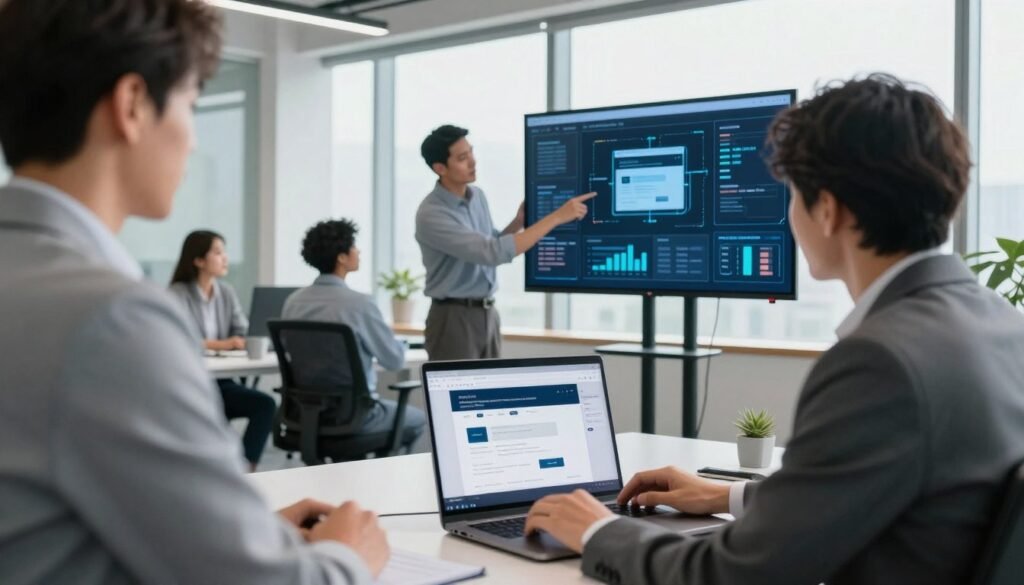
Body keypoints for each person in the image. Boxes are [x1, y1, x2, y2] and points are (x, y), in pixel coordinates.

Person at [523, 74, 1024, 585]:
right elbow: (899, 491)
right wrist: (728, 495)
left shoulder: (881, 361)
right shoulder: (1002, 324)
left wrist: (597, 532)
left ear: (826, 209)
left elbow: (732, 575)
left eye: (790, 195)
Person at [0, 1, 389, 583]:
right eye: (190, 104)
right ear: (132, 105)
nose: (191, 138)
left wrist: (242, 531)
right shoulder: (113, 320)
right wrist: (348, 557)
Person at [415, 124, 597, 360]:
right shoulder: (432, 213)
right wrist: (558, 217)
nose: (473, 162)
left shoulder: (477, 196)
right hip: (453, 316)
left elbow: (491, 241)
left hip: (487, 312)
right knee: (458, 394)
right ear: (440, 168)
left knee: (491, 391)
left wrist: (518, 222)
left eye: (471, 152)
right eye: (462, 158)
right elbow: (492, 253)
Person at [282, 219, 426, 449]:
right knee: (418, 420)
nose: (358, 251)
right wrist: (399, 344)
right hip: (355, 416)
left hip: (303, 414)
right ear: (341, 257)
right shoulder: (359, 304)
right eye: (353, 246)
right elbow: (394, 360)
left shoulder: (294, 302)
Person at [169, 229, 277, 470]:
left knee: (265, 404)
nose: (225, 258)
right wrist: (222, 344)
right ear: (198, 260)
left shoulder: (225, 292)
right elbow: (176, 338)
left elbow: (241, 330)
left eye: (224, 252)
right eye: (218, 252)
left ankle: (246, 469)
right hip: (193, 382)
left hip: (221, 381)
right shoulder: (178, 294)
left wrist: (238, 340)